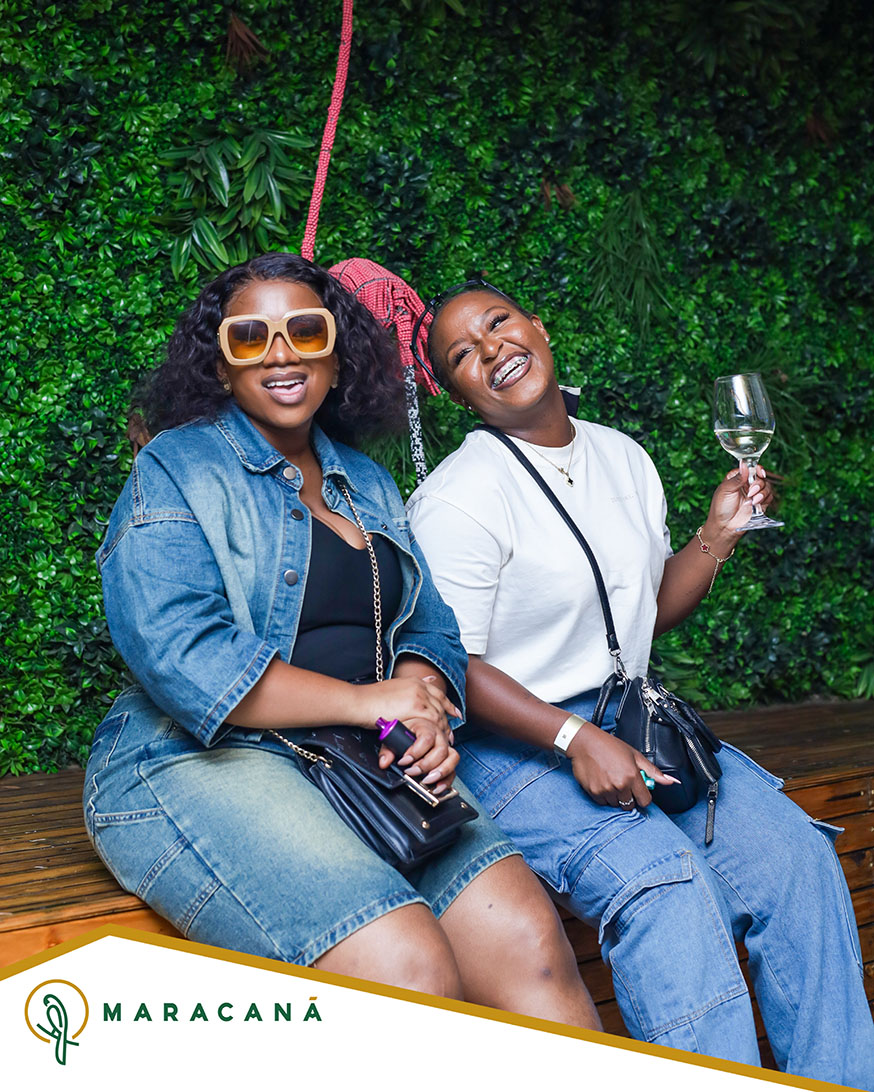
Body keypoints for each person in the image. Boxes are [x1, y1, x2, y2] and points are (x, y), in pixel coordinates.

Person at [83, 254, 600, 1026]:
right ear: (221, 364)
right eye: (250, 337)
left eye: (305, 331)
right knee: (405, 964)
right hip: (197, 759)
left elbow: (428, 625)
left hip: (367, 753)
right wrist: (371, 704)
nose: (281, 353)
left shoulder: (368, 481)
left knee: (530, 941)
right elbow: (184, 656)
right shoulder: (178, 467)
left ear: (336, 354)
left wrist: (421, 705)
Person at [406, 281, 874, 1085]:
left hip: (629, 718)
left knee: (796, 858)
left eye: (499, 323)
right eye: (462, 353)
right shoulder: (457, 497)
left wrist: (718, 533)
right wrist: (573, 736)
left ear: (537, 326)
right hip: (511, 745)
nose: (492, 349)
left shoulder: (621, 454)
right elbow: (454, 667)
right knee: (667, 886)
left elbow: (644, 611)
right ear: (455, 392)